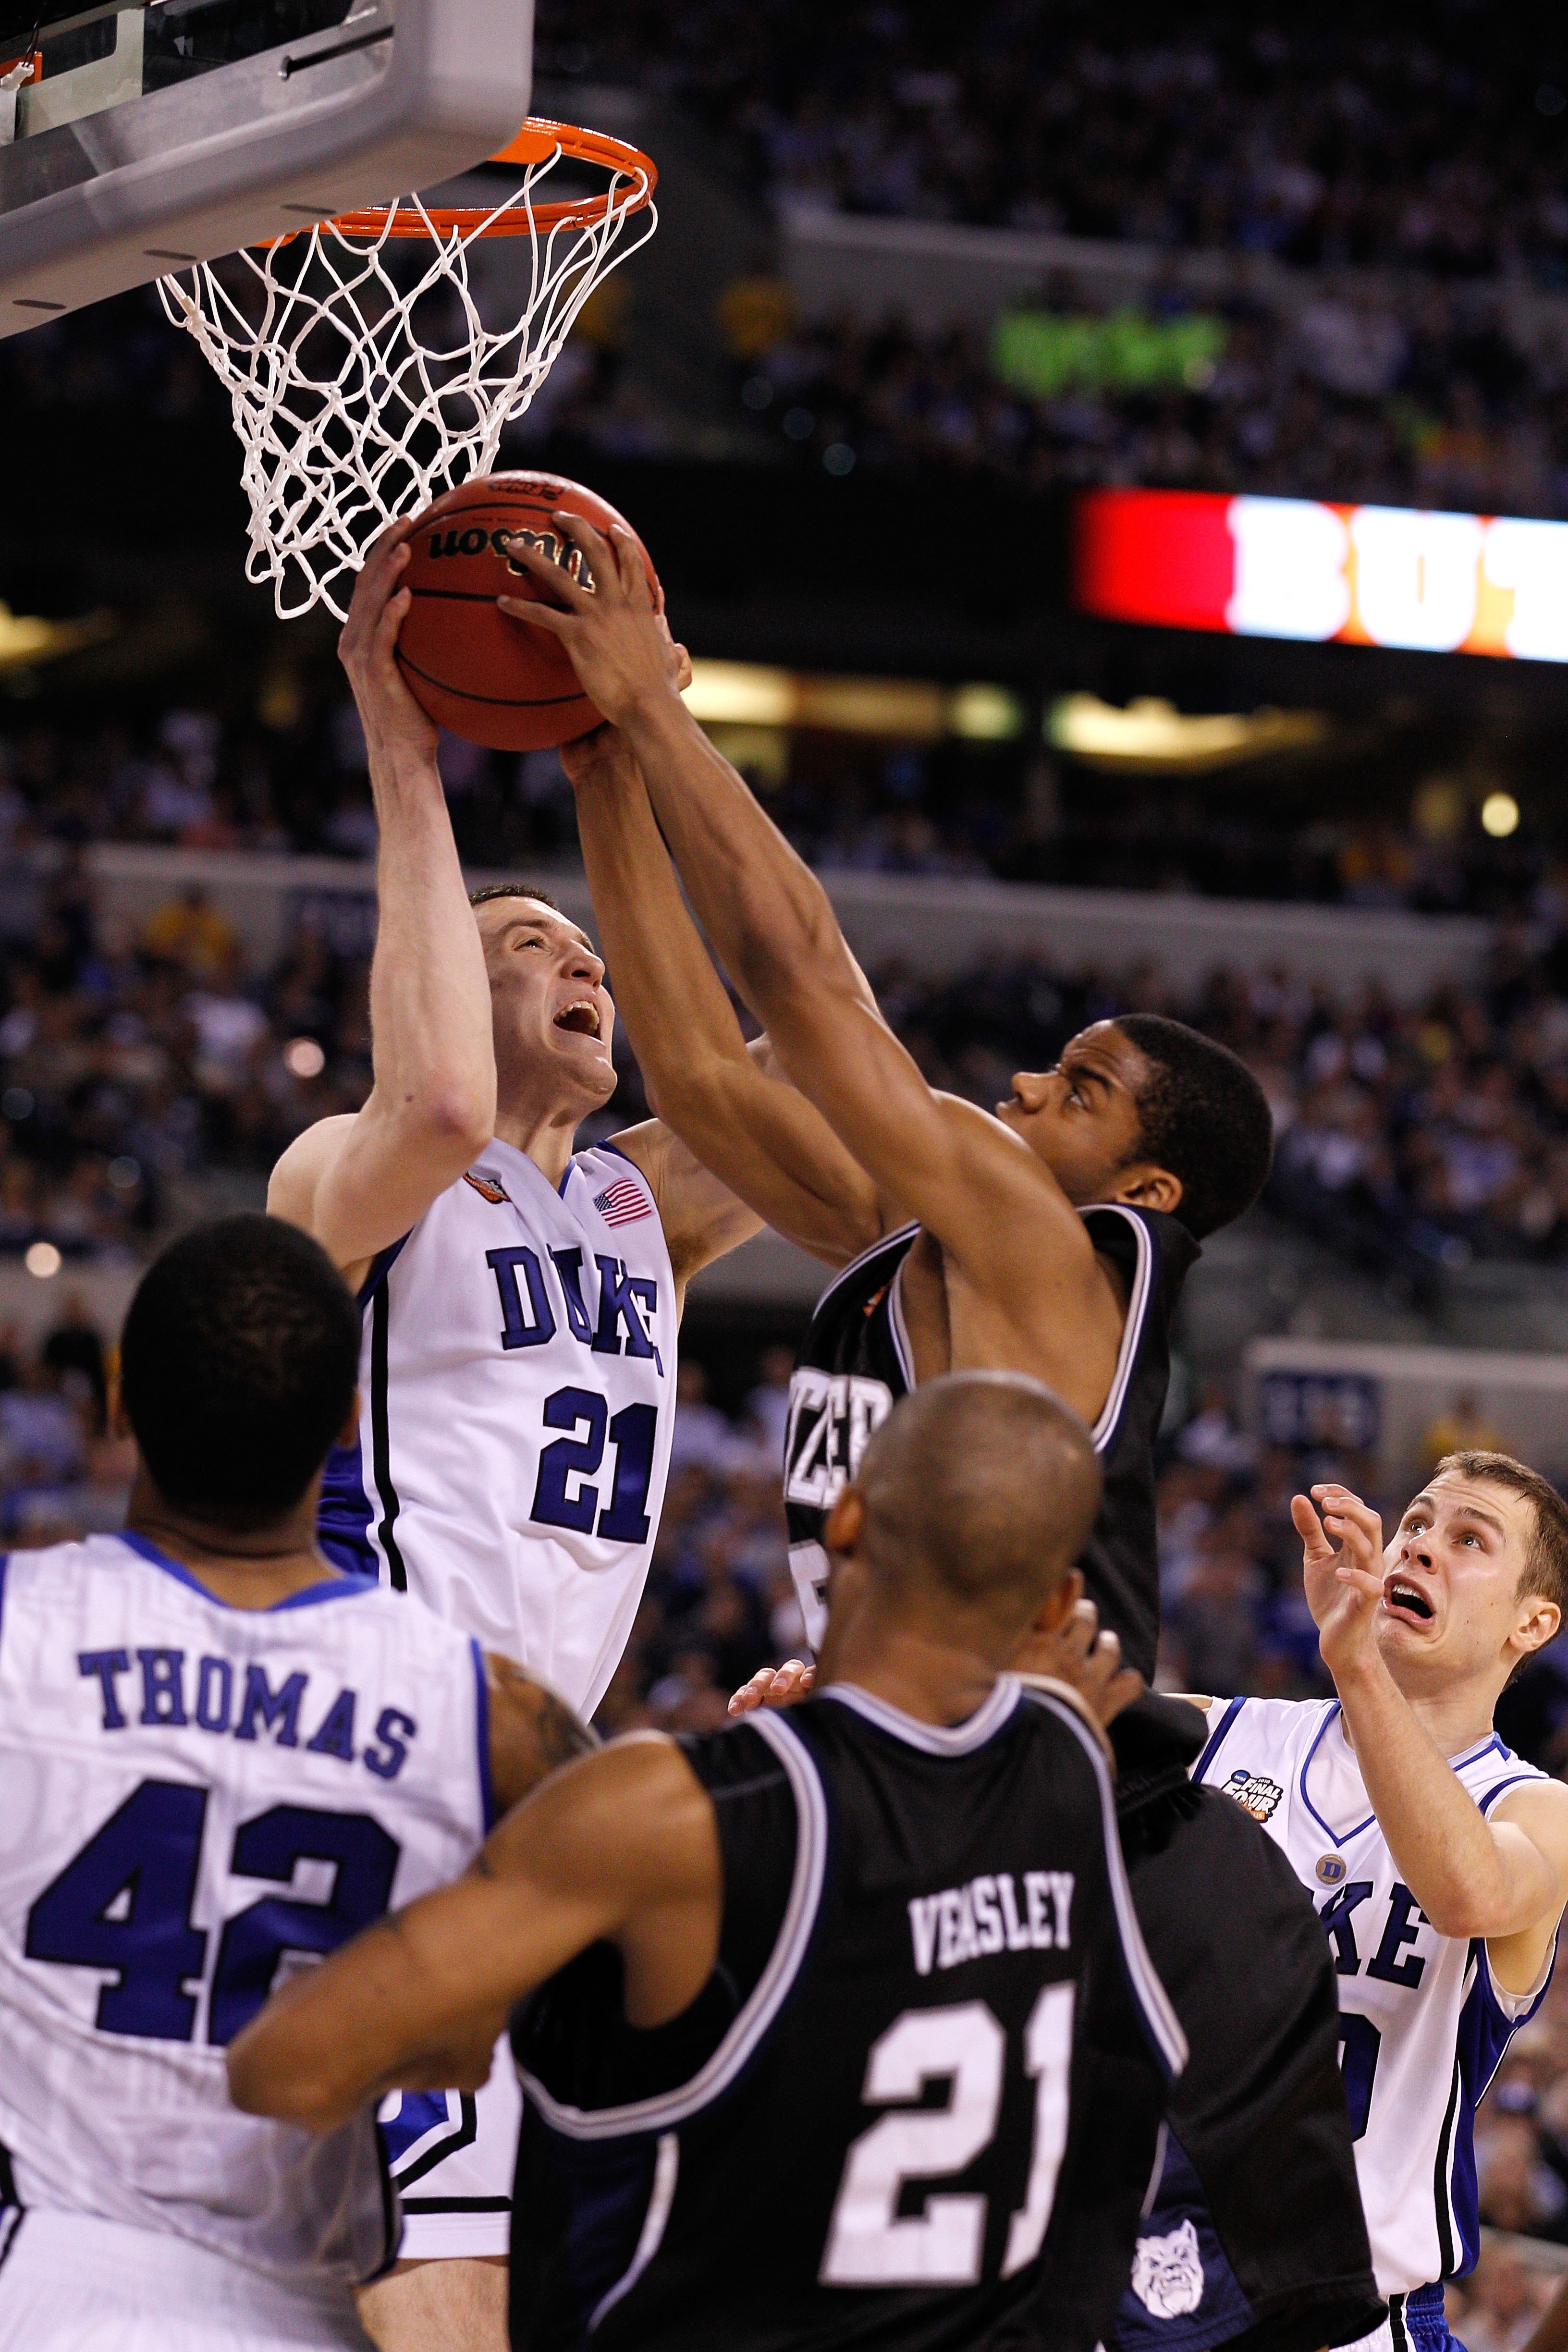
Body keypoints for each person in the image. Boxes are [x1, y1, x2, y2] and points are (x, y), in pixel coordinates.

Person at [493, 509, 1384, 2352]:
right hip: (916, 1785)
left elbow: (813, 988)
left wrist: (658, 709)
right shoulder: (925, 1245)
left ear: (1135, 1173)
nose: (1021, 1083)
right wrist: (596, 765)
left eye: (1070, 1089)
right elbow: (717, 1072)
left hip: (1099, 1821)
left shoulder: (1072, 1250)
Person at [265, 522, 806, 2344]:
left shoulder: (647, 1199)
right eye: (523, 946)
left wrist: (636, 743)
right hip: (377, 1757)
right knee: (441, 2267)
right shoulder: (358, 1172)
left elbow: (814, 1060)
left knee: (530, 2265)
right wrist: (405, 751)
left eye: (585, 953)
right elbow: (426, 1097)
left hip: (547, 1790)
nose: (575, 962)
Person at [231, 1371, 1188, 2352]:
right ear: (1059, 1604)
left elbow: (289, 2068)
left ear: (848, 1519)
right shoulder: (1077, 1778)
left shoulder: (670, 1813)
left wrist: (467, 2026)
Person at [0, 1214, 596, 2352]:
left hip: (43, 2282)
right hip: (304, 2303)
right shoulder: (489, 1709)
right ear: (347, 1424)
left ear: (119, 1411)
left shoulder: (15, 1630)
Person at [1184, 1452, 1568, 2352]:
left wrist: (1355, 1665)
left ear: (1533, 1621)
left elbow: (1466, 1890)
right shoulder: (1224, 1736)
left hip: (1353, 2326)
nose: (1423, 1549)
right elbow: (1031, 1726)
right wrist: (856, 1709)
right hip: (1148, 2295)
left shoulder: (1537, 1810)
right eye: (1417, 1527)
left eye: (1469, 1539)